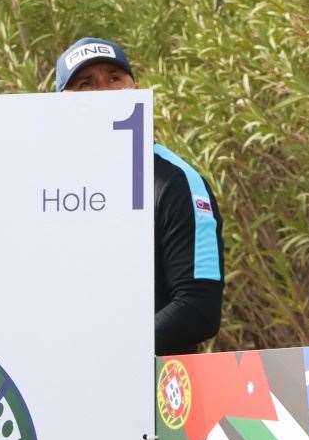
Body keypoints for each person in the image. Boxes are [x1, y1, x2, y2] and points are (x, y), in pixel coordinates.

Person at [55, 37, 225, 354]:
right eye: (86, 84)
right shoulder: (44, 186)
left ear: (137, 89)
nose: (104, 92)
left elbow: (198, 308)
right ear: (60, 105)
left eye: (114, 78)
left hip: (159, 389)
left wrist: (107, 355)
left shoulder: (176, 181)